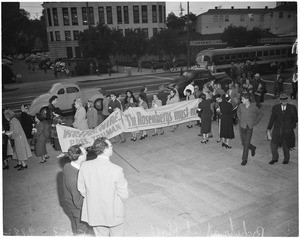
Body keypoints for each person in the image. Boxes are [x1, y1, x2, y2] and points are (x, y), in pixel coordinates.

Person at [78, 137, 128, 236]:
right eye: (111, 146)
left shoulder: (84, 166)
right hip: (113, 213)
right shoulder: (116, 170)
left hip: (95, 212)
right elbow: (124, 195)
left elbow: (81, 189)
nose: (112, 148)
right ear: (105, 150)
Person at [63, 144, 90, 235]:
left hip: (70, 202)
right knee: (81, 230)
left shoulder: (67, 165)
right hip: (79, 211)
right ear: (80, 157)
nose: (86, 153)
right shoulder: (75, 179)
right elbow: (79, 203)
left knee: (75, 225)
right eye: (85, 152)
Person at [267, 93, 298, 165]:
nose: (284, 101)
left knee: (286, 146)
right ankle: (275, 158)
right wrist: (268, 129)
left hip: (287, 131)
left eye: (285, 99)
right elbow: (272, 119)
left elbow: (295, 120)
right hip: (277, 130)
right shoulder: (275, 107)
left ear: (288, 100)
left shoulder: (292, 108)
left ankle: (286, 159)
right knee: (273, 145)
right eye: (282, 100)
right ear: (280, 100)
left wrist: (291, 127)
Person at [237, 93, 264, 166]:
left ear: (247, 99)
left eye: (242, 99)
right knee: (244, 143)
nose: (241, 100)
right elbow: (238, 112)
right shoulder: (241, 106)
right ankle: (253, 147)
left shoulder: (253, 107)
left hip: (249, 127)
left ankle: (244, 159)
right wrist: (240, 119)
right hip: (242, 126)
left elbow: (260, 114)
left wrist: (255, 122)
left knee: (246, 145)